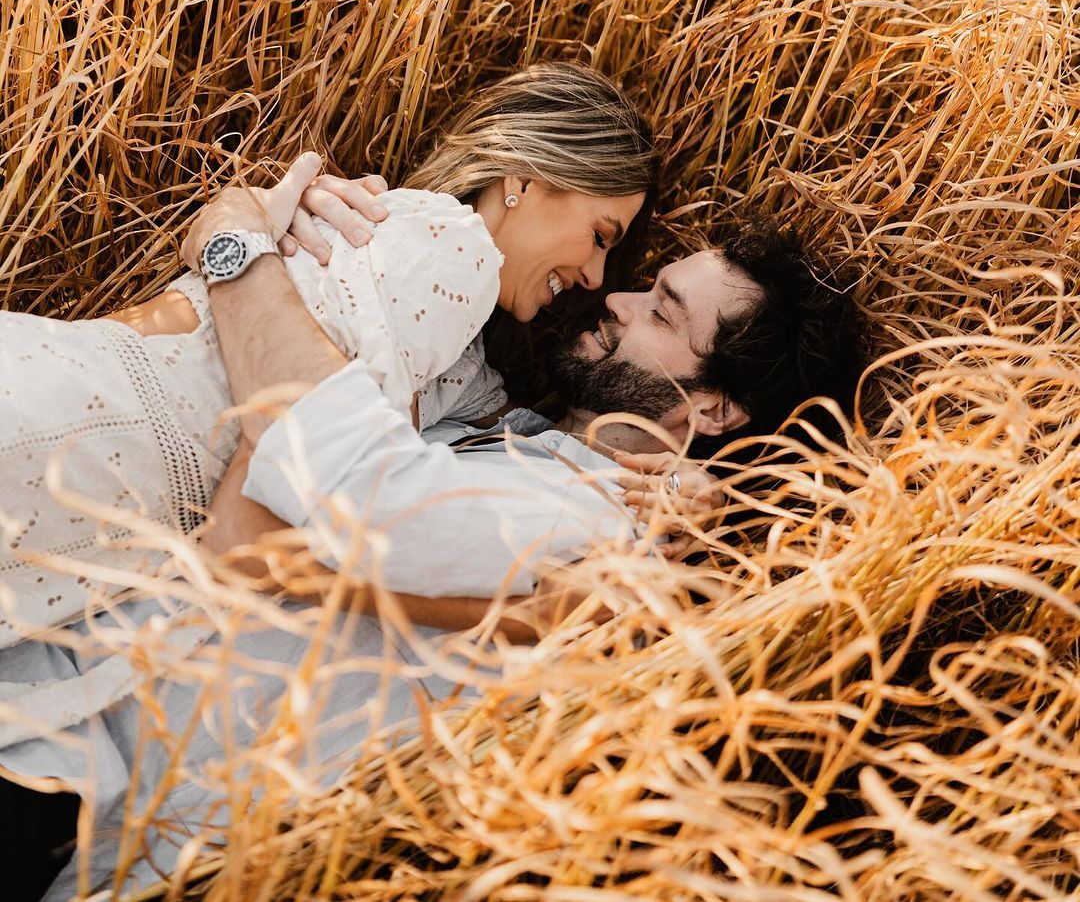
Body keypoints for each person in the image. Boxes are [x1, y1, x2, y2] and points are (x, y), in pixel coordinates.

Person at [0, 163, 864, 901]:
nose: (618, 295)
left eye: (664, 313)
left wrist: (235, 241)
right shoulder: (495, 424)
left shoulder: (596, 526)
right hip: (40, 678)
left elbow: (329, 483)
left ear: (711, 407)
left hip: (75, 780)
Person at [0, 63, 657, 648]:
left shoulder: (458, 355)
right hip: (68, 434)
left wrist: (679, 488)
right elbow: (267, 509)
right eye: (601, 236)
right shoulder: (456, 250)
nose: (598, 276)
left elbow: (516, 436)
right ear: (527, 177)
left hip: (82, 488)